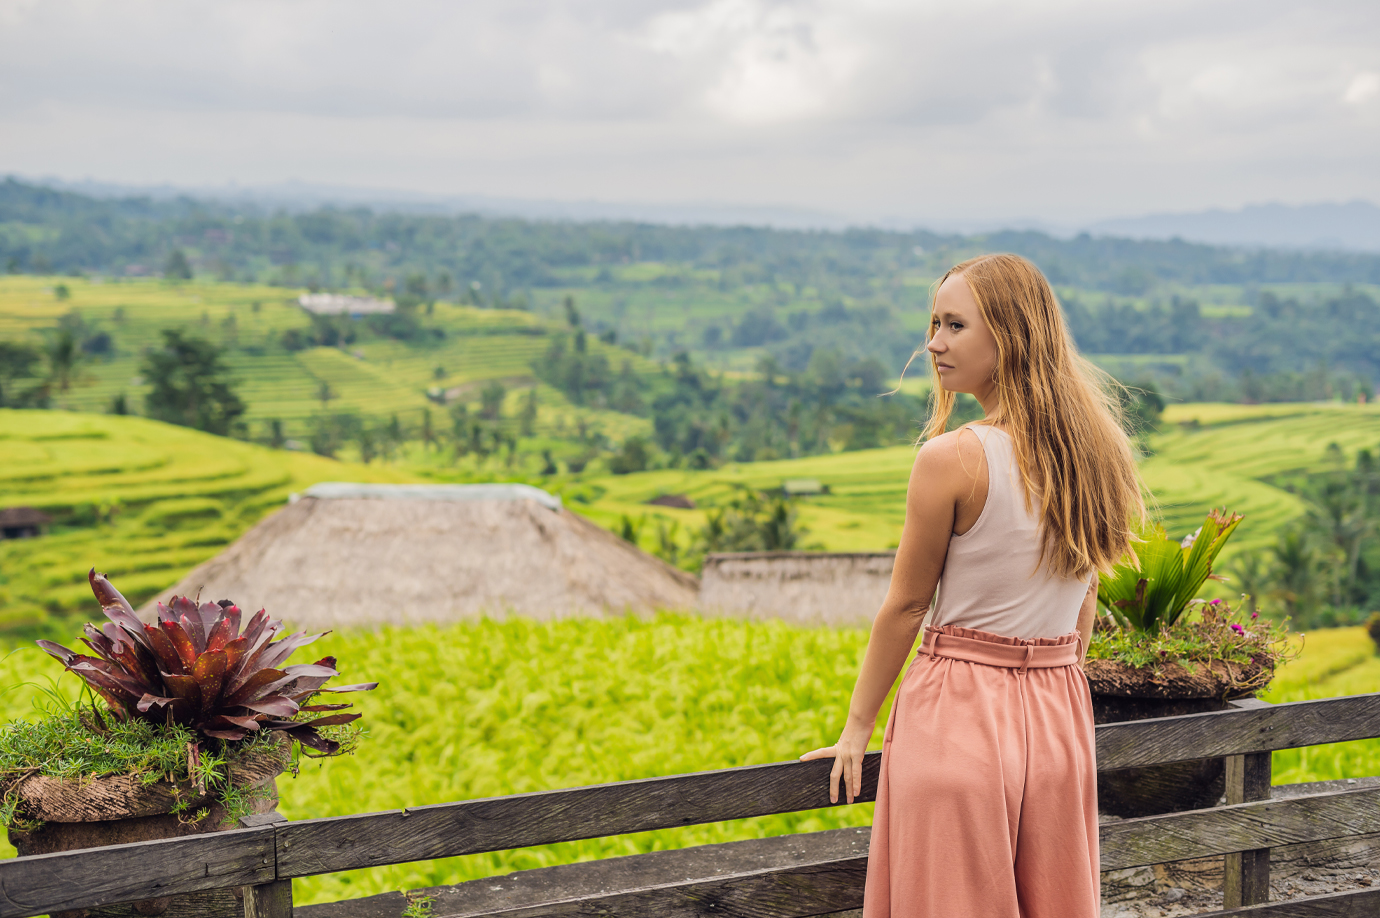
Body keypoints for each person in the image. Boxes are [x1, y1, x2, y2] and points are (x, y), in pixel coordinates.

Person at [801, 253, 1145, 918]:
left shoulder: (952, 459)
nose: (933, 343)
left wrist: (856, 729)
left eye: (954, 325)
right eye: (935, 323)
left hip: (957, 715)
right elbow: (1087, 594)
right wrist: (1056, 676)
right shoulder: (1100, 453)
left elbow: (905, 607)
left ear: (1009, 337)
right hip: (1058, 723)